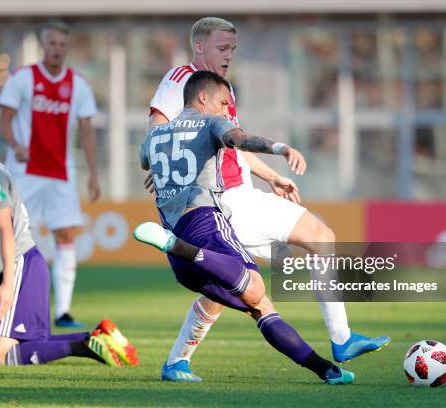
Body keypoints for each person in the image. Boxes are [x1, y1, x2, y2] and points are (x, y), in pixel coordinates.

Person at [148, 17, 390, 382]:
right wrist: (160, 161)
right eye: (222, 48)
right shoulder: (182, 79)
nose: (229, 55)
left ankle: (177, 361)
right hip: (229, 199)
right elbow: (159, 122)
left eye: (233, 48)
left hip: (232, 196)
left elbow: (229, 144)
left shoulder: (219, 93)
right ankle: (341, 339)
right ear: (199, 47)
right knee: (320, 237)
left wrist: (272, 176)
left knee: (227, 288)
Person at [136, 71, 353, 385]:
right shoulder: (211, 123)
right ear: (202, 97)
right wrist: (280, 148)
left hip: (179, 247)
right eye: (223, 102)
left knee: (259, 306)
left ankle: (325, 370)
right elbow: (240, 140)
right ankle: (175, 245)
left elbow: (146, 160)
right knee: (256, 288)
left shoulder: (155, 137)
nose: (226, 109)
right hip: (205, 224)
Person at [0, 110, 137, 367]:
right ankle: (99, 338)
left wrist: (8, 284)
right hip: (27, 266)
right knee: (30, 346)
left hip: (19, 266)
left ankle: (87, 344)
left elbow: (6, 231)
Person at [0, 20, 100, 329]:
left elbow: (88, 131)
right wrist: (15, 144)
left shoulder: (78, 85)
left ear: (67, 47)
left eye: (62, 45)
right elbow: (4, 122)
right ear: (43, 45)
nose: (57, 50)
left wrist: (92, 172)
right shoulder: (23, 79)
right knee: (2, 235)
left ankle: (63, 312)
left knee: (65, 235)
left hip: (61, 174)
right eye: (52, 44)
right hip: (24, 173)